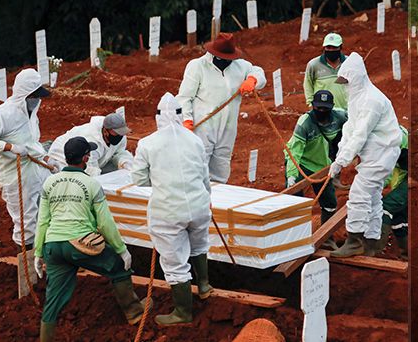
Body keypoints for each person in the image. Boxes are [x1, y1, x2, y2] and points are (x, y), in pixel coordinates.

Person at [33, 136, 144, 341]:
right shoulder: (91, 184)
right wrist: (121, 249)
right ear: (85, 158)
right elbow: (105, 223)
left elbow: (42, 221)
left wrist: (38, 252)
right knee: (119, 267)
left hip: (54, 247)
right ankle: (135, 313)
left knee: (54, 299)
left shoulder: (50, 182)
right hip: (80, 244)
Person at [131, 93, 214, 326]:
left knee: (176, 263)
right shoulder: (195, 140)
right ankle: (204, 285)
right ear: (180, 116)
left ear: (158, 117)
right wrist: (206, 198)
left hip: (168, 210)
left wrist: (159, 181)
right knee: (199, 244)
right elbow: (204, 176)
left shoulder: (148, 143)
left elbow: (138, 179)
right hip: (199, 205)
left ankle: (182, 313)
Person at [327, 52, 402, 258]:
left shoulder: (372, 100)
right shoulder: (357, 98)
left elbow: (361, 134)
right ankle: (371, 242)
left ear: (357, 77)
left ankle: (355, 240)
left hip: (382, 153)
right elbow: (350, 129)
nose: (345, 85)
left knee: (359, 194)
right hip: (374, 152)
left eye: (347, 81)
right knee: (373, 197)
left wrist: (343, 161)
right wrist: (339, 158)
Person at [176, 33, 266, 184]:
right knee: (198, 162)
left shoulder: (240, 66)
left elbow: (258, 72)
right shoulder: (198, 66)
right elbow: (184, 97)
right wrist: (186, 119)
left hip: (228, 126)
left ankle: (217, 199)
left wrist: (252, 79)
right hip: (203, 125)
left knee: (222, 162)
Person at [0, 68, 59, 248]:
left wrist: (47, 158)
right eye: (34, 96)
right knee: (26, 221)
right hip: (15, 176)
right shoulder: (2, 115)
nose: (37, 100)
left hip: (36, 171)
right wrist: (9, 147)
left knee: (48, 211)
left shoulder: (32, 113)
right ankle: (26, 263)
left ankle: (46, 255)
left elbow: (33, 142)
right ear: (24, 94)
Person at [284, 90, 348, 249]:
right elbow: (294, 152)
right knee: (295, 202)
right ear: (312, 106)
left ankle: (327, 238)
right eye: (318, 108)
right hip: (301, 164)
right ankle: (295, 240)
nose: (321, 112)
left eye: (325, 109)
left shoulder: (340, 116)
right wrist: (292, 176)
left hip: (323, 166)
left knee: (330, 202)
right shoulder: (304, 122)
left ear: (332, 107)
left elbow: (359, 121)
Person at [47, 113, 133, 176]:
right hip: (64, 158)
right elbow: (90, 170)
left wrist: (124, 162)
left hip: (96, 160)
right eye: (116, 133)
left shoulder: (120, 136)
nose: (120, 136)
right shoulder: (91, 140)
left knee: (119, 171)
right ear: (106, 131)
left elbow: (118, 153)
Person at [376, 126, 408, 260]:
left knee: (386, 208)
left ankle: (375, 251)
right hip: (402, 178)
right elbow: (388, 171)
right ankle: (406, 254)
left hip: (410, 178)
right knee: (398, 218)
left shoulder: (395, 139)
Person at [303, 33, 348, 110]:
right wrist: (310, 104)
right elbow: (308, 84)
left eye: (334, 47)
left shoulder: (349, 63)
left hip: (346, 110)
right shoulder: (314, 65)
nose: (331, 50)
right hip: (323, 111)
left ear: (341, 47)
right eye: (328, 47)